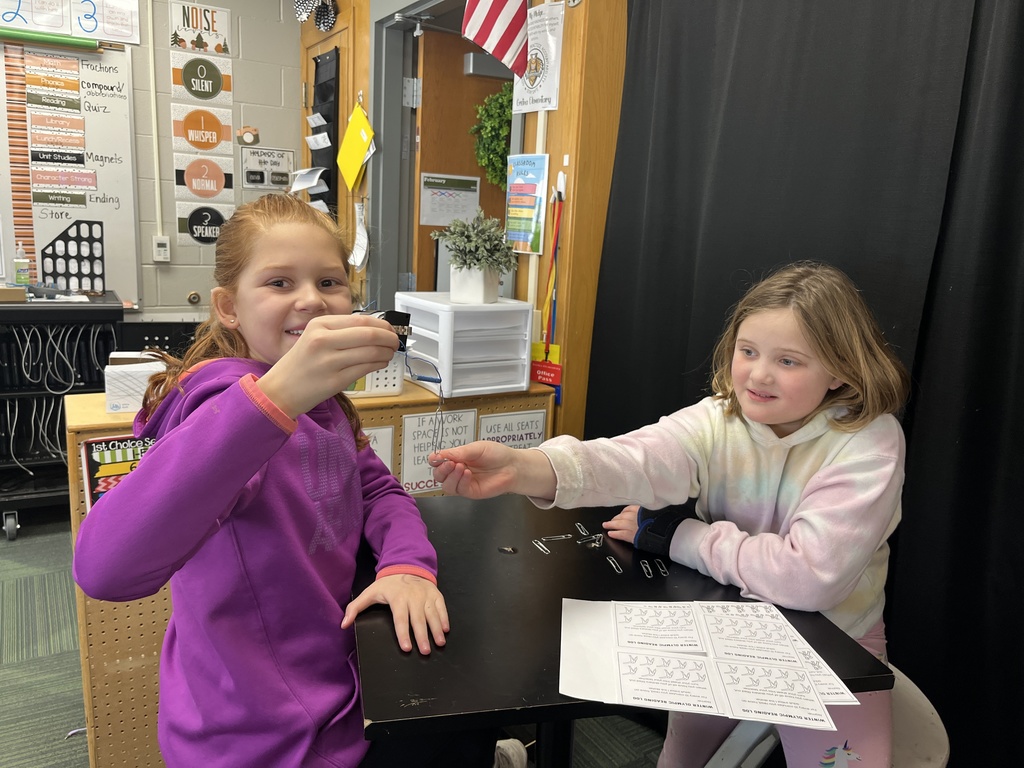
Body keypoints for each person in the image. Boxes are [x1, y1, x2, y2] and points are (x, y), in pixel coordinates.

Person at [73, 194, 502, 768]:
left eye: (330, 281)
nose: (310, 300)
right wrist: (276, 399)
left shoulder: (323, 407)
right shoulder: (227, 410)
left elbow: (376, 489)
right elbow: (105, 568)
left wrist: (406, 565)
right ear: (229, 307)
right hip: (258, 737)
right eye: (278, 282)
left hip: (339, 687)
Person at [429, 261, 910, 767]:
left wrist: (675, 536)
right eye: (748, 352)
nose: (759, 374)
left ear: (839, 369)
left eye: (789, 361)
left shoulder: (867, 442)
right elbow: (632, 458)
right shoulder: (719, 417)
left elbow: (809, 578)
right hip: (728, 629)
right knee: (680, 760)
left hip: (835, 640)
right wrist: (525, 467)